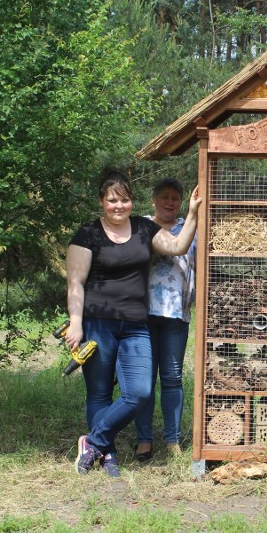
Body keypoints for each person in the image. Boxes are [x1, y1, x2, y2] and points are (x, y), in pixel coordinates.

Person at [65, 168, 201, 476]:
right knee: (99, 392)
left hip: (136, 325)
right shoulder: (87, 234)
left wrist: (192, 212)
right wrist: (76, 323)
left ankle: (93, 441)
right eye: (112, 200)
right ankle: (107, 454)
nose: (118, 206)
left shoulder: (144, 228)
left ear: (131, 202)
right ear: (102, 201)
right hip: (98, 323)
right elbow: (75, 282)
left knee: (138, 392)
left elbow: (178, 247)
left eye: (124, 200)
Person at [132, 178, 196, 461]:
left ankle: (172, 439)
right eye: (165, 197)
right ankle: (144, 439)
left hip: (176, 314)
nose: (170, 203)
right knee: (144, 380)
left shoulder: (190, 227)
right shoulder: (141, 226)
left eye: (175, 198)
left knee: (172, 378)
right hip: (142, 313)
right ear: (154, 200)